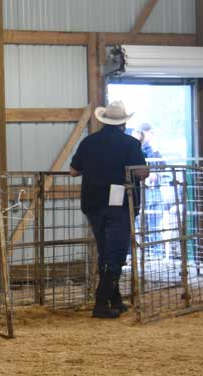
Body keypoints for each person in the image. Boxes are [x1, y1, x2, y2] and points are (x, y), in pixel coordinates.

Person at [69, 101, 149, 318]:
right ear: (123, 122)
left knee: (106, 251)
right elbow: (141, 172)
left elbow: (74, 171)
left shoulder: (89, 142)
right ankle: (101, 303)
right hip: (120, 205)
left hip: (93, 204)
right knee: (115, 254)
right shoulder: (130, 144)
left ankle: (114, 299)